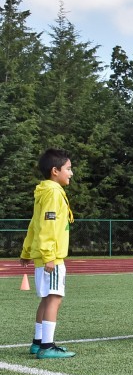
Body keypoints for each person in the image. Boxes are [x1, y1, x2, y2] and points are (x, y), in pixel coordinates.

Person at [20, 148, 76, 359]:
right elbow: (47, 227)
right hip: (51, 257)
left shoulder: (45, 191)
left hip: (43, 255)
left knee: (46, 299)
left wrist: (27, 251)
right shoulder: (53, 193)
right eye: (68, 169)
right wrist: (49, 256)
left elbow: (35, 224)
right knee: (54, 298)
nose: (71, 173)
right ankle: (47, 346)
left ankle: (37, 342)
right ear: (55, 171)